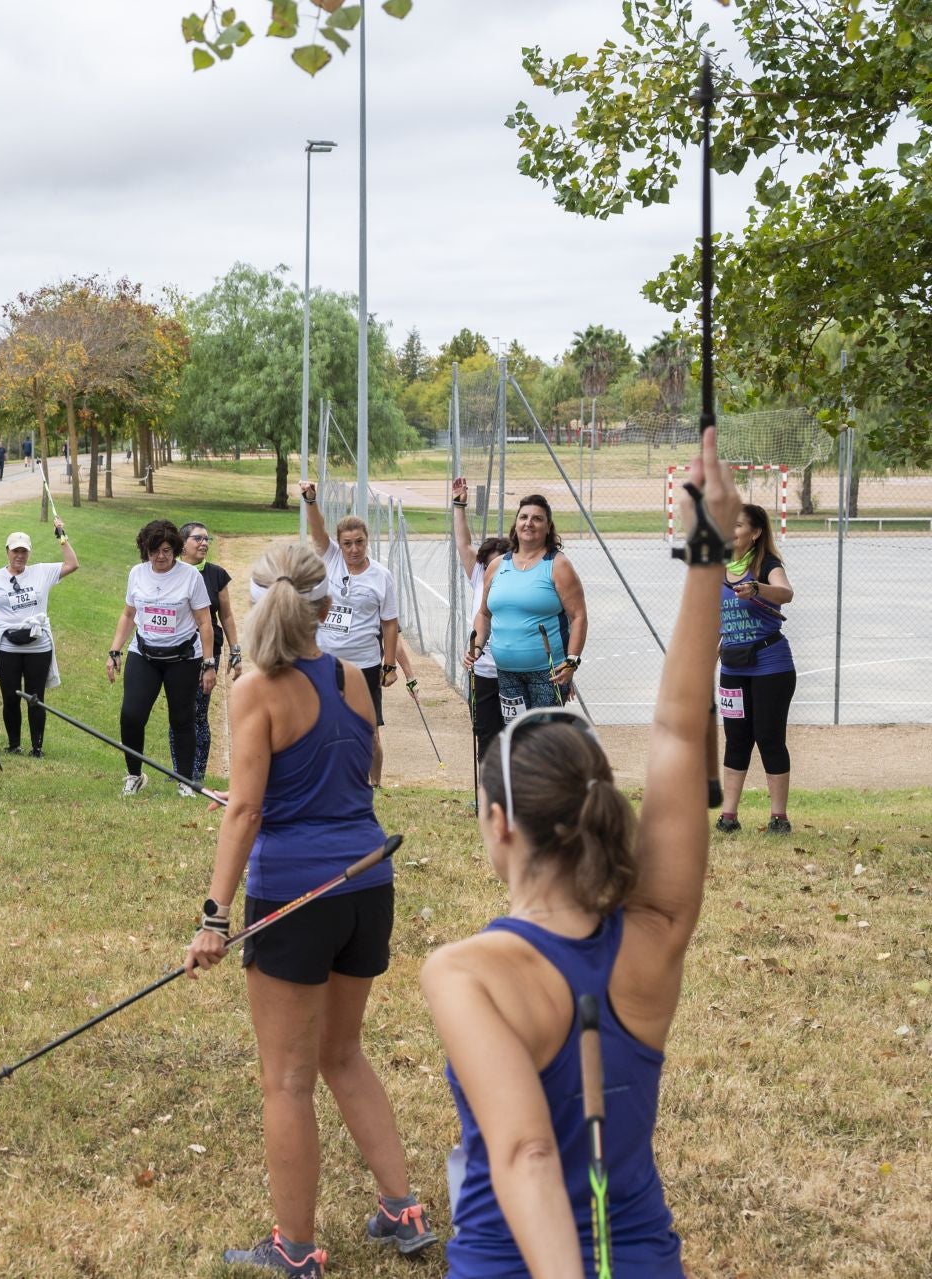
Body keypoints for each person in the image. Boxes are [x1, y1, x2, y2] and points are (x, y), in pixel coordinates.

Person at [418, 432, 741, 1279]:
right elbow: (678, 731)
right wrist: (707, 555)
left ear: (499, 824)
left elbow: (525, 1154)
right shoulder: (655, 933)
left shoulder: (464, 973)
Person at [185, 540, 436, 1277]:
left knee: (287, 1079)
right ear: (326, 608)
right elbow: (368, 767)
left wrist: (213, 916)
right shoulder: (353, 675)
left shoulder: (254, 688)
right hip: (364, 886)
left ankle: (295, 1248)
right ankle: (402, 1207)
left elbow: (248, 812)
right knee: (341, 1051)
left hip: (296, 893)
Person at [299, 482, 401, 786]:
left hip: (364, 664)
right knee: (320, 722)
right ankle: (324, 779)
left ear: (367, 542)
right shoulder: (330, 559)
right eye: (347, 543)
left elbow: (390, 623)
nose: (354, 549)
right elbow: (318, 531)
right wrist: (311, 500)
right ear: (339, 545)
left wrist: (390, 664)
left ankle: (375, 784)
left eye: (359, 542)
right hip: (326, 659)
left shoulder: (381, 576)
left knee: (368, 728)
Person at [107, 519, 216, 797]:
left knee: (182, 719)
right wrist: (115, 650)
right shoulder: (137, 573)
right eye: (154, 550)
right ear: (145, 550)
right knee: (131, 715)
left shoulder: (190, 577)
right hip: (144, 653)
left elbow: (205, 623)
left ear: (176, 550)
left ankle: (185, 781)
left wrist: (208, 663)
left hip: (182, 657)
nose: (161, 556)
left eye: (167, 550)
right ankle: (134, 775)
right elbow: (129, 614)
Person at [469, 495, 588, 727]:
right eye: (523, 517)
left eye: (537, 518)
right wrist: (476, 646)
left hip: (548, 673)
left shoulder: (558, 565)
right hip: (506, 672)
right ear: (515, 525)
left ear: (548, 527)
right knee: (516, 736)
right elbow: (484, 614)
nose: (529, 523)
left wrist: (572, 660)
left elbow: (578, 616)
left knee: (543, 741)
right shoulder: (497, 566)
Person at [717, 502, 796, 835]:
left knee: (768, 737)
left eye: (737, 525)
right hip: (734, 667)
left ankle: (779, 817)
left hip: (770, 665)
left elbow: (786, 592)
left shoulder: (767, 564)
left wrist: (758, 588)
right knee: (736, 739)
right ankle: (728, 817)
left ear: (755, 532)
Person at [0, 521, 77, 756]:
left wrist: (62, 536)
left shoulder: (41, 572)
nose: (19, 556)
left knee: (35, 697)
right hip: (7, 646)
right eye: (15, 551)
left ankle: (37, 747)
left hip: (37, 646)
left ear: (29, 552)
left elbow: (72, 564)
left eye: (24, 551)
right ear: (7, 552)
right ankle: (14, 745)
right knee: (10, 697)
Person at [452, 477, 513, 764]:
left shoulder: (519, 582)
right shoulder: (479, 577)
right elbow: (463, 544)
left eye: (499, 562)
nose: (493, 569)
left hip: (515, 671)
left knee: (515, 736)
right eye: (488, 563)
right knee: (485, 733)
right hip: (483, 672)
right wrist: (458, 506)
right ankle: (488, 797)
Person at [181, 521, 242, 787]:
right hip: (177, 651)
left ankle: (197, 774)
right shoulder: (173, 572)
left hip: (208, 650)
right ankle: (179, 770)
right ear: (182, 544)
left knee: (198, 712)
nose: (204, 543)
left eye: (207, 539)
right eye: (198, 538)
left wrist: (235, 651)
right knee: (180, 711)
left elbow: (226, 615)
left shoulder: (216, 574)